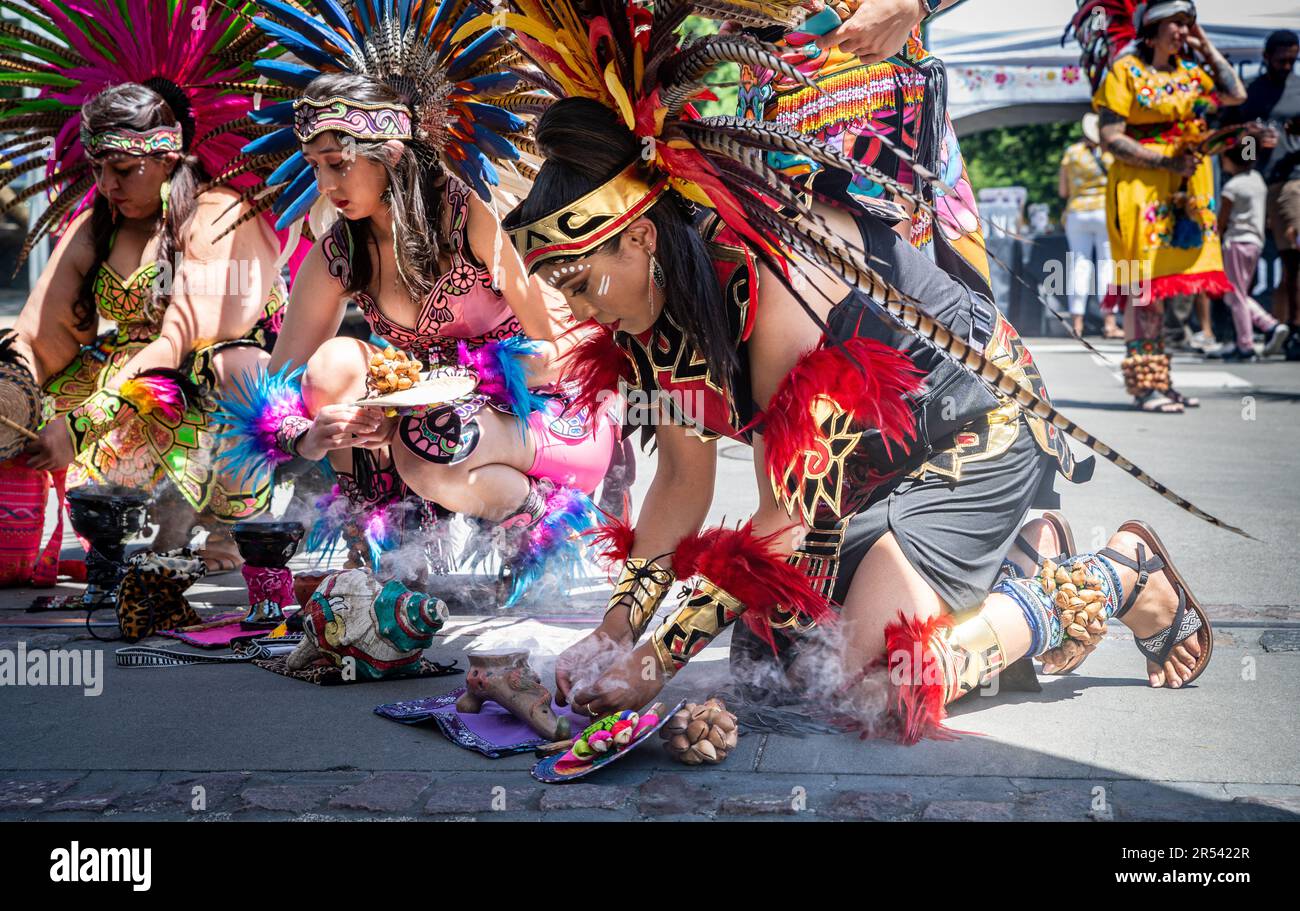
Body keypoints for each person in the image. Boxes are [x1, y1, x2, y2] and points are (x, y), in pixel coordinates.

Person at [481, 2, 1230, 742]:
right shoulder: (644, 309)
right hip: (869, 466)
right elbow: (681, 478)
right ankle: (1023, 554)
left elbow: (783, 513)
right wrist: (615, 633)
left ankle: (1111, 576)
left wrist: (657, 659)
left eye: (580, 284)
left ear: (639, 237)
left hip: (971, 429)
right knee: (768, 659)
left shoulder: (774, 279)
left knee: (870, 680)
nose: (579, 309)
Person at [219, 5, 618, 600]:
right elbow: (281, 384)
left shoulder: (469, 214)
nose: (327, 186)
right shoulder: (339, 251)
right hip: (434, 425)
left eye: (339, 165)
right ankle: (396, 554)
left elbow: (559, 351)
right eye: (315, 168)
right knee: (334, 368)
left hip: (548, 415)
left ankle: (538, 518)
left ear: (393, 153)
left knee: (428, 440)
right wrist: (310, 433)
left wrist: (452, 389)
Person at [0, 1, 287, 571]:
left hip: (200, 378)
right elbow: (37, 334)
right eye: (98, 169)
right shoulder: (98, 225)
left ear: (166, 159)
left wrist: (78, 428)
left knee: (233, 366)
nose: (106, 185)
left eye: (122, 171)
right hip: (125, 371)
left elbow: (174, 347)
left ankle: (227, 526)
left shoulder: (213, 213)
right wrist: (13, 390)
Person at [1072, 0, 1246, 413]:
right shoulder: (1125, 71)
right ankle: (1144, 384)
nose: (1183, 32)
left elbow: (1236, 93)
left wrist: (1202, 41)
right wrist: (1167, 160)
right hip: (1140, 189)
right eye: (1176, 25)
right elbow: (1112, 137)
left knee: (1164, 291)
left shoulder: (1192, 73)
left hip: (1185, 192)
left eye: (1189, 25)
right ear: (1150, 32)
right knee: (1142, 288)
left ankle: (1162, 382)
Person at [1226, 30, 1300, 335]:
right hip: (1254, 185)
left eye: (1292, 60)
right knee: (1249, 263)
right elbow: (1238, 150)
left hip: (1291, 183)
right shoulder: (1250, 93)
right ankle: (1250, 329)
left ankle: (1293, 327)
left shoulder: (1299, 89)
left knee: (1292, 259)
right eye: (1281, 60)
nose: (1286, 66)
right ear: (1266, 57)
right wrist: (1253, 143)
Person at [1212, 144, 1289, 360]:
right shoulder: (1257, 180)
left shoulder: (1232, 187)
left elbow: (1222, 220)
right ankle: (1268, 324)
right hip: (1256, 242)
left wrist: (1213, 239)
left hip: (1236, 242)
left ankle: (1246, 343)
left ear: (1230, 159)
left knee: (1235, 295)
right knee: (1237, 294)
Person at [1059, 113, 1117, 338]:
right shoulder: (1110, 153)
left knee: (1079, 265)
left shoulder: (1071, 153)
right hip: (1105, 211)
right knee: (1106, 265)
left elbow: (1063, 191)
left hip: (1077, 213)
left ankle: (1077, 324)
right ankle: (1109, 324)